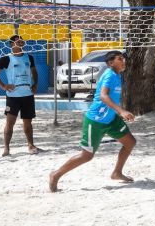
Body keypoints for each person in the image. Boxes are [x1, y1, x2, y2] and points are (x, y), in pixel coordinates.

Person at [48, 50, 137, 192]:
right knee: (86, 156)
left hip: (111, 119)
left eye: (123, 58)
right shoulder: (109, 75)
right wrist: (121, 111)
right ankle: (56, 174)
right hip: (95, 120)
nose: (124, 61)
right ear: (110, 63)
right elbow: (103, 96)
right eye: (120, 59)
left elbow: (112, 98)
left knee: (130, 142)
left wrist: (119, 112)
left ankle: (117, 173)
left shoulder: (117, 75)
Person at [0, 35, 40, 156]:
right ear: (12, 44)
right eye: (17, 40)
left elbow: (34, 73)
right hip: (13, 97)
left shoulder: (29, 57)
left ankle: (30, 145)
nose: (20, 42)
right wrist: (3, 86)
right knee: (10, 122)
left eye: (21, 40)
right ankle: (6, 148)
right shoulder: (7, 59)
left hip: (27, 95)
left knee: (28, 122)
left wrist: (35, 85)